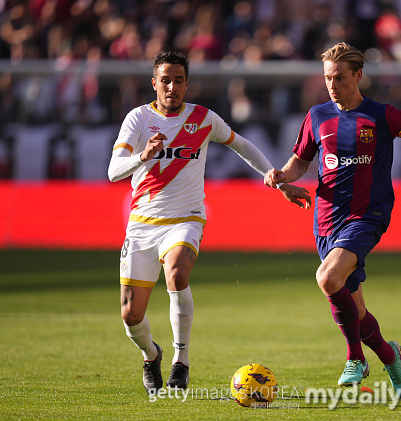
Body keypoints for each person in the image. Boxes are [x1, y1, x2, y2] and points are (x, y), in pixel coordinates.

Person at [265, 42, 401, 397]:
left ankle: (356, 359)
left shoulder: (382, 115)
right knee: (357, 310)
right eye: (327, 78)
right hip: (326, 220)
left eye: (340, 77)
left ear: (358, 76)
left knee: (327, 277)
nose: (332, 85)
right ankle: (389, 356)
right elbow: (300, 162)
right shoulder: (317, 116)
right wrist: (281, 177)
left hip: (368, 214)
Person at [108, 51, 310, 394]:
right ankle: (151, 354)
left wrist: (276, 181)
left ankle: (181, 360)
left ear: (187, 84)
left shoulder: (203, 118)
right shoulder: (138, 118)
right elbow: (114, 171)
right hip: (142, 224)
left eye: (179, 81)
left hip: (186, 219)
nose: (172, 87)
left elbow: (241, 145)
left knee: (177, 274)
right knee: (130, 315)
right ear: (154, 83)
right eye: (165, 80)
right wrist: (143, 156)